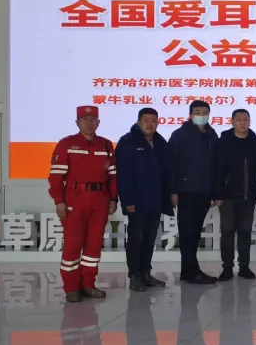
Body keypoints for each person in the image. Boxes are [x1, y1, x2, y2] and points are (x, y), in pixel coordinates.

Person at [49, 105, 118, 302]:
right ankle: (71, 287)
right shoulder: (67, 144)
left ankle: (88, 284)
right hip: (74, 200)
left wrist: (113, 198)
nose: (89, 123)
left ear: (99, 122)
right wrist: (59, 201)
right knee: (72, 245)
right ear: (77, 123)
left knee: (94, 246)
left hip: (99, 200)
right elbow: (55, 177)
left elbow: (113, 176)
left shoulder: (106, 145)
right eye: (84, 120)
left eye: (93, 119)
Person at [116, 107, 172, 292]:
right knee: (136, 238)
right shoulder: (128, 142)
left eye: (153, 121)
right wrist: (128, 201)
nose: (150, 124)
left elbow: (166, 172)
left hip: (155, 200)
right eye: (146, 121)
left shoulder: (160, 142)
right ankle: (135, 276)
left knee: (149, 238)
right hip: (137, 201)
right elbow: (123, 175)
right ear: (139, 122)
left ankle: (146, 273)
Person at [167, 100, 220, 285]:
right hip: (186, 191)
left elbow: (216, 166)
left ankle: (187, 271)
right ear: (190, 115)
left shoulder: (212, 135)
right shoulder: (180, 135)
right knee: (188, 232)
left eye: (205, 112)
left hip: (204, 191)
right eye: (197, 112)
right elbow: (171, 164)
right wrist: (173, 190)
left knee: (195, 232)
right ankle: (192, 271)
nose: (201, 115)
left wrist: (215, 191)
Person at [212, 108, 256, 281]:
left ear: (250, 122)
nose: (242, 122)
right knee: (227, 231)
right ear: (232, 122)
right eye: (239, 119)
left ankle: (244, 267)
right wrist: (217, 193)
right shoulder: (223, 142)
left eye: (245, 119)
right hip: (227, 196)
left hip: (248, 196)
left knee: (245, 231)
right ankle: (227, 267)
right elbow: (217, 169)